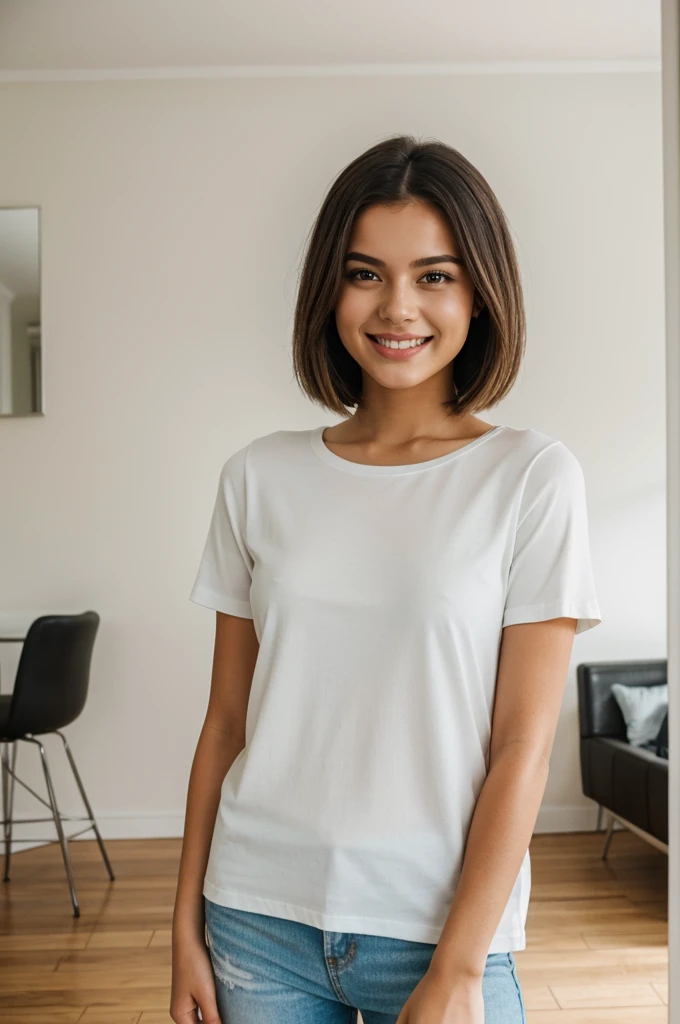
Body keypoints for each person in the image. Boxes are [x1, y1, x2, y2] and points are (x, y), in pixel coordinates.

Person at [170, 134, 602, 1024]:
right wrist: (184, 926)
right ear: (329, 287)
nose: (397, 306)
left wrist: (458, 966)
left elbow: (522, 745)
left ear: (481, 293)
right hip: (256, 924)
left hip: (439, 931)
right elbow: (224, 724)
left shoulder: (532, 477)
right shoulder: (257, 477)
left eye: (434, 276)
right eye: (366, 273)